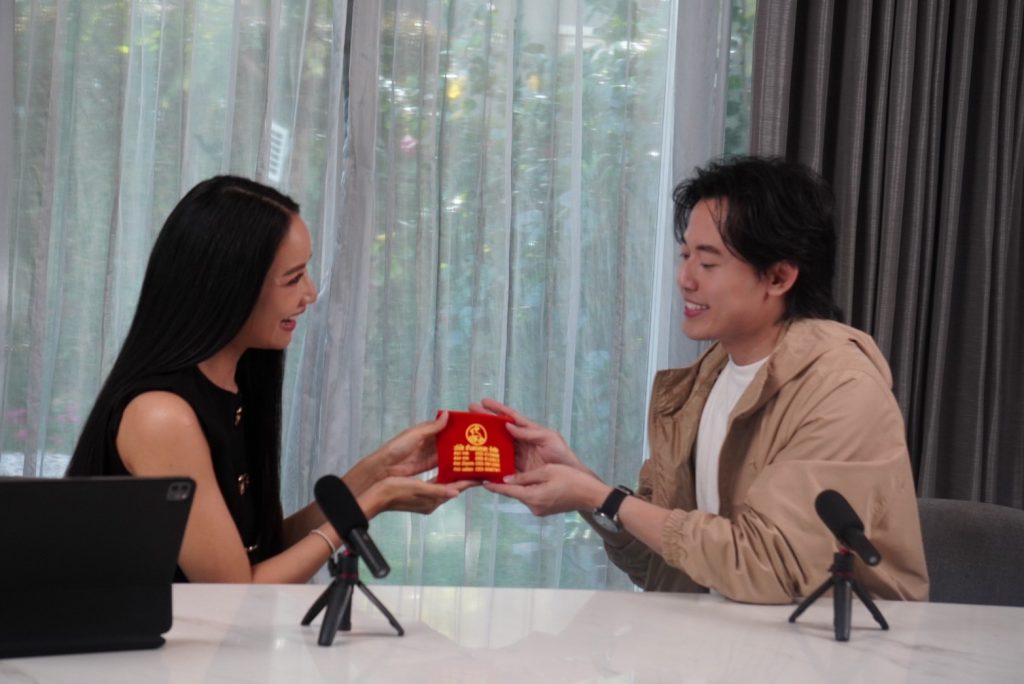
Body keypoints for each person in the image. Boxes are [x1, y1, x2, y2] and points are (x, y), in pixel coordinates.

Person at [478, 156, 929, 604]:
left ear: (778, 277)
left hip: (831, 642)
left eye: (708, 264)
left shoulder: (842, 389)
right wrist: (582, 485)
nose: (684, 279)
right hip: (721, 636)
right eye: (684, 256)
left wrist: (603, 497)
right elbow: (662, 563)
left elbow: (772, 568)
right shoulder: (704, 380)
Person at [67, 176, 469, 583]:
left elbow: (265, 550)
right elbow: (236, 593)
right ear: (229, 286)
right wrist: (372, 503)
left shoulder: (236, 387)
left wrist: (379, 471)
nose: (310, 293)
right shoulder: (162, 417)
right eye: (293, 278)